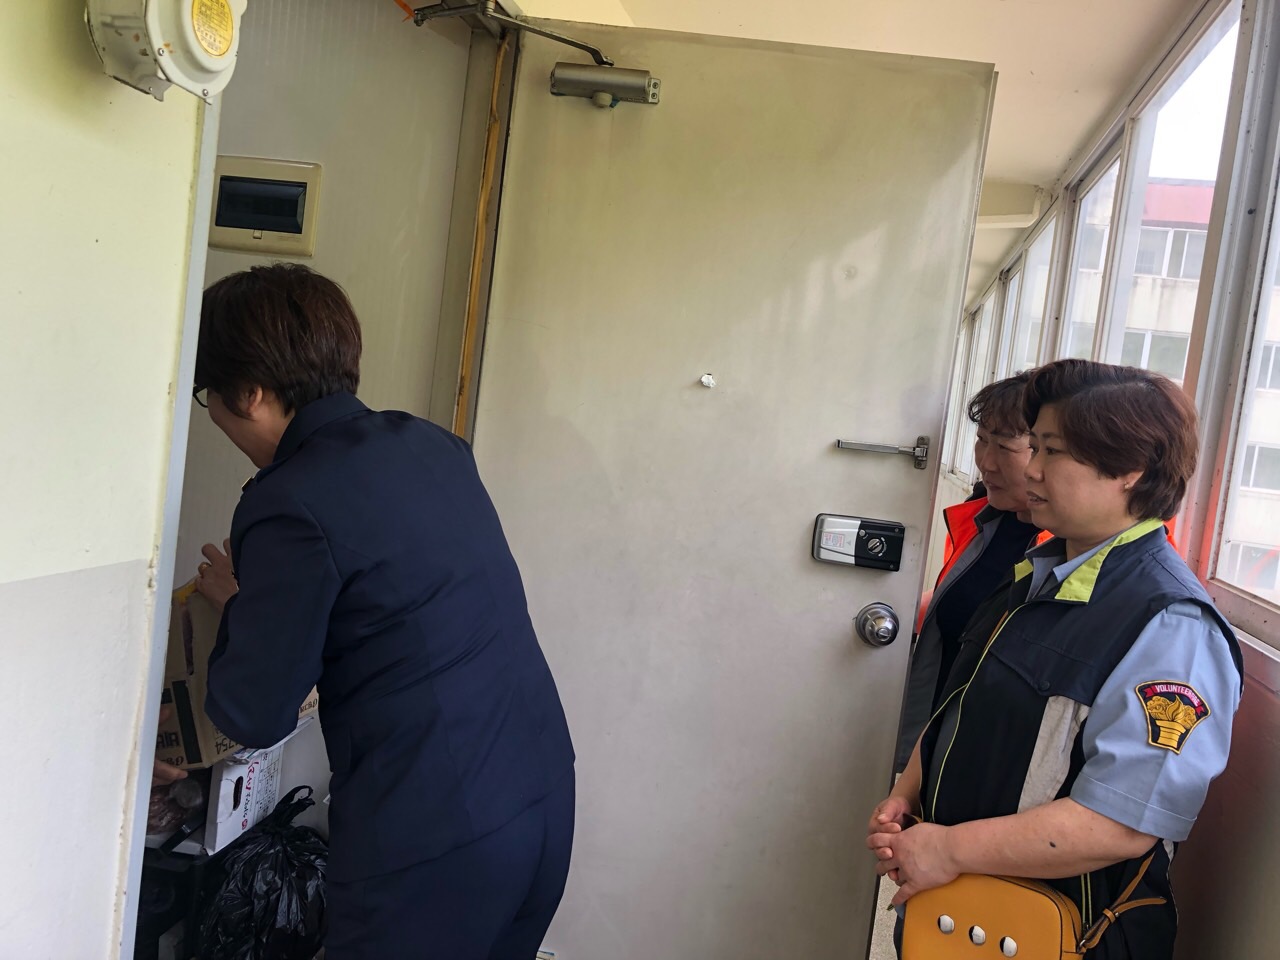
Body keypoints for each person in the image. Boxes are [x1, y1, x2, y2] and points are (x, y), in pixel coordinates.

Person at [189, 263, 575, 960]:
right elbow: (386, 604)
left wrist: (243, 613)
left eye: (206, 395)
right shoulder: (431, 445)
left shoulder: (288, 500)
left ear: (248, 393)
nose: (211, 414)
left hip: (436, 845)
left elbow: (253, 713)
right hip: (540, 798)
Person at [868, 359, 1243, 959]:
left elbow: (1120, 822)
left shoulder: (1171, 625)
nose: (1031, 469)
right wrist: (909, 791)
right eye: (1035, 447)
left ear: (1130, 470)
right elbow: (963, 700)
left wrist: (948, 849)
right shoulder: (1039, 575)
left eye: (1052, 451)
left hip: (1062, 931)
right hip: (969, 912)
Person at [894, 372, 1041, 770]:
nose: (986, 462)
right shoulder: (983, 519)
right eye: (981, 439)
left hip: (990, 761)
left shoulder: (1071, 551)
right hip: (940, 740)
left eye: (1005, 447)